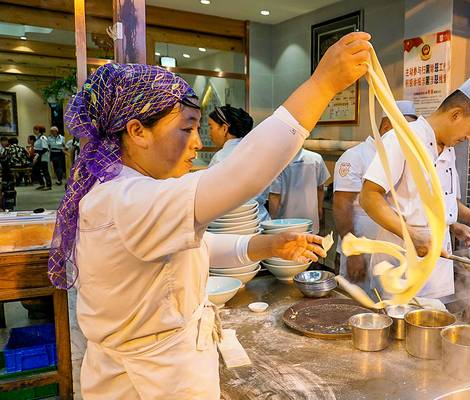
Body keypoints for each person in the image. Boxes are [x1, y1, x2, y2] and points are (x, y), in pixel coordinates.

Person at [48, 31, 371, 399]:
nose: (198, 142)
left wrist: (265, 245)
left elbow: (183, 251)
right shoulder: (128, 199)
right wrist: (323, 84)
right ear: (137, 131)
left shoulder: (128, 192)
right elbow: (242, 174)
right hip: (150, 382)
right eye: (186, 128)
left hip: (161, 369)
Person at [360, 79, 470, 299]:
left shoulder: (448, 147)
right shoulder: (403, 138)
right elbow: (369, 197)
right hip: (400, 261)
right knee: (397, 328)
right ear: (456, 114)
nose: (469, 137)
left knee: (433, 327)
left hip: (439, 265)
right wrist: (412, 235)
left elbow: (443, 199)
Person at [333, 100, 418, 286]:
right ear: (387, 127)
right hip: (363, 246)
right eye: (406, 132)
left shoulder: (403, 157)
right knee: (357, 305)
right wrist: (354, 253)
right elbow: (342, 207)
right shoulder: (355, 157)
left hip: (393, 250)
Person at [207, 105, 270, 221]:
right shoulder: (259, 153)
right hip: (261, 219)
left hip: (232, 224)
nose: (209, 133)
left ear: (225, 129)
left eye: (211, 127)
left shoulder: (220, 158)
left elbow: (210, 196)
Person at [268, 148, 330, 234]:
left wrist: (272, 220)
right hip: (310, 221)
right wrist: (319, 208)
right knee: (311, 245)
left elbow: (275, 195)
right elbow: (320, 188)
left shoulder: (279, 161)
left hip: (285, 223)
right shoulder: (316, 158)